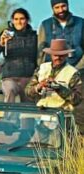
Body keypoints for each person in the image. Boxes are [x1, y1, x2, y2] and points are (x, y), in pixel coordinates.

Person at [37, 0, 84, 130]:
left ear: (68, 6)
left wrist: (79, 67)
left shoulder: (81, 23)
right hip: (53, 70)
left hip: (79, 70)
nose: (61, 9)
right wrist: (43, 70)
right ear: (53, 8)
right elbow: (40, 50)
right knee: (51, 104)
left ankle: (76, 140)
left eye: (63, 6)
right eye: (57, 7)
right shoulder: (45, 25)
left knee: (78, 108)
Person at [0, 8, 37, 103]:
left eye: (22, 19)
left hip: (28, 77)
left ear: (27, 20)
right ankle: (8, 118)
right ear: (12, 20)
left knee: (27, 108)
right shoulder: (6, 34)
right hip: (10, 76)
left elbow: (38, 56)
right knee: (10, 92)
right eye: (16, 19)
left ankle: (26, 118)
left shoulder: (34, 36)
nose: (19, 22)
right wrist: (1, 43)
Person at [25, 39, 82, 111]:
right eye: (55, 55)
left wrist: (59, 88)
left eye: (61, 55)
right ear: (51, 55)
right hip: (42, 113)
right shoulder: (42, 68)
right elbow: (27, 91)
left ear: (66, 55)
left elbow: (77, 100)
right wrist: (39, 87)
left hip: (62, 114)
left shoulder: (73, 73)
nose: (58, 58)